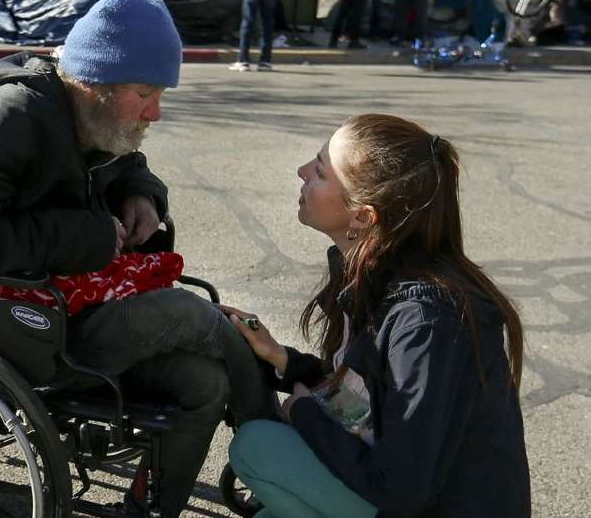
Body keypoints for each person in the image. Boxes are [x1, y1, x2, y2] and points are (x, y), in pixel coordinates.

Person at [0, 0, 277, 518]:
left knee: (204, 383)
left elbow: (124, 161)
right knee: (190, 313)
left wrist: (143, 193)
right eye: (146, 93)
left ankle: (153, 510)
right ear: (96, 83)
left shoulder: (90, 115)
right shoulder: (12, 117)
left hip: (70, 308)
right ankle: (277, 441)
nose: (157, 110)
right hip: (23, 325)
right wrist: (88, 236)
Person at [219, 113, 530, 518]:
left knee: (257, 446)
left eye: (318, 171)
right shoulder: (382, 273)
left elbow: (402, 487)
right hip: (413, 498)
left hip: (429, 506)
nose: (300, 172)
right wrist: (286, 361)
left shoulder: (426, 321)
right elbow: (368, 407)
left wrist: (304, 413)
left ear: (363, 216)